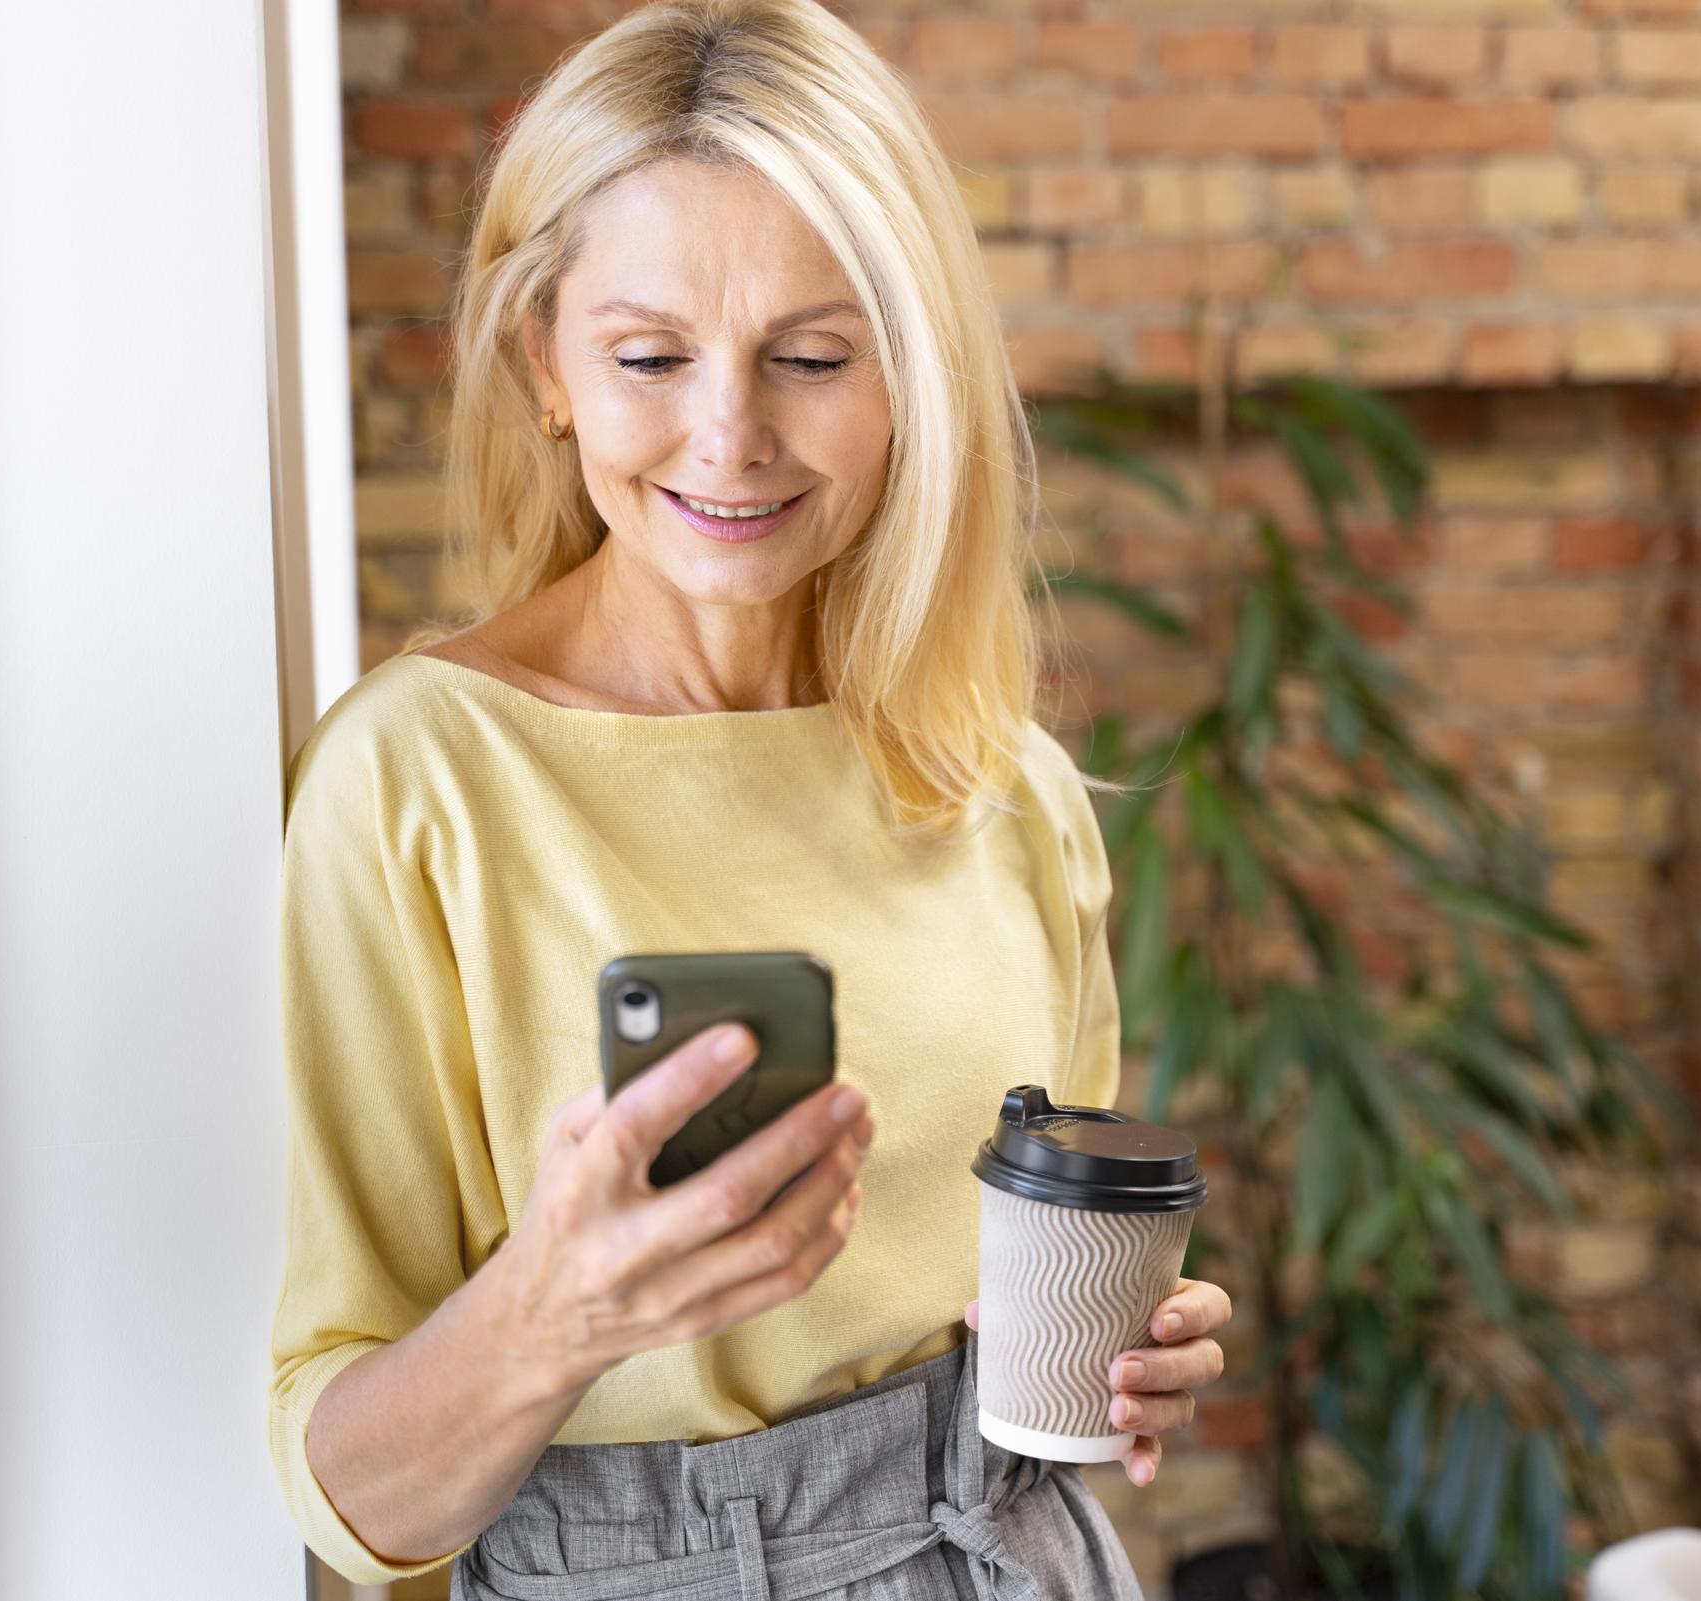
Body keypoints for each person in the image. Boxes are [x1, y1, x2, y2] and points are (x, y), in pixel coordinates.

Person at [264, 1, 1233, 1594]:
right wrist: (556, 1306)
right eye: (650, 355)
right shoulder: (417, 778)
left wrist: (1124, 1344)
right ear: (547, 364)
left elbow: (1030, 1294)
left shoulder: (1009, 790)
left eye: (812, 355)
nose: (730, 438)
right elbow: (351, 1491)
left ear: (909, 371)